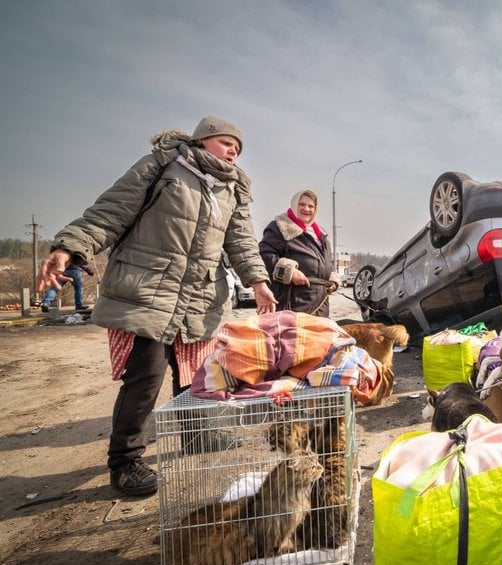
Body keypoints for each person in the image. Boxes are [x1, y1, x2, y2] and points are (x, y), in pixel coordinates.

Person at [36, 115, 278, 497]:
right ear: (202, 140)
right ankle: (125, 461)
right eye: (227, 142)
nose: (235, 150)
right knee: (145, 378)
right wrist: (69, 247)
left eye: (239, 147)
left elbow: (241, 241)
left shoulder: (233, 189)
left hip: (199, 298)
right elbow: (110, 213)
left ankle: (199, 437)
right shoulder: (163, 166)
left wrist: (259, 283)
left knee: (195, 376)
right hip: (148, 289)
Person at [258, 189, 339, 317]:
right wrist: (289, 271)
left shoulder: (321, 234)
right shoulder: (280, 227)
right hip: (293, 303)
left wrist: (332, 278)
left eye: (311, 206)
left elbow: (328, 262)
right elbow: (264, 255)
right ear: (295, 205)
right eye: (302, 204)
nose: (306, 209)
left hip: (320, 304)